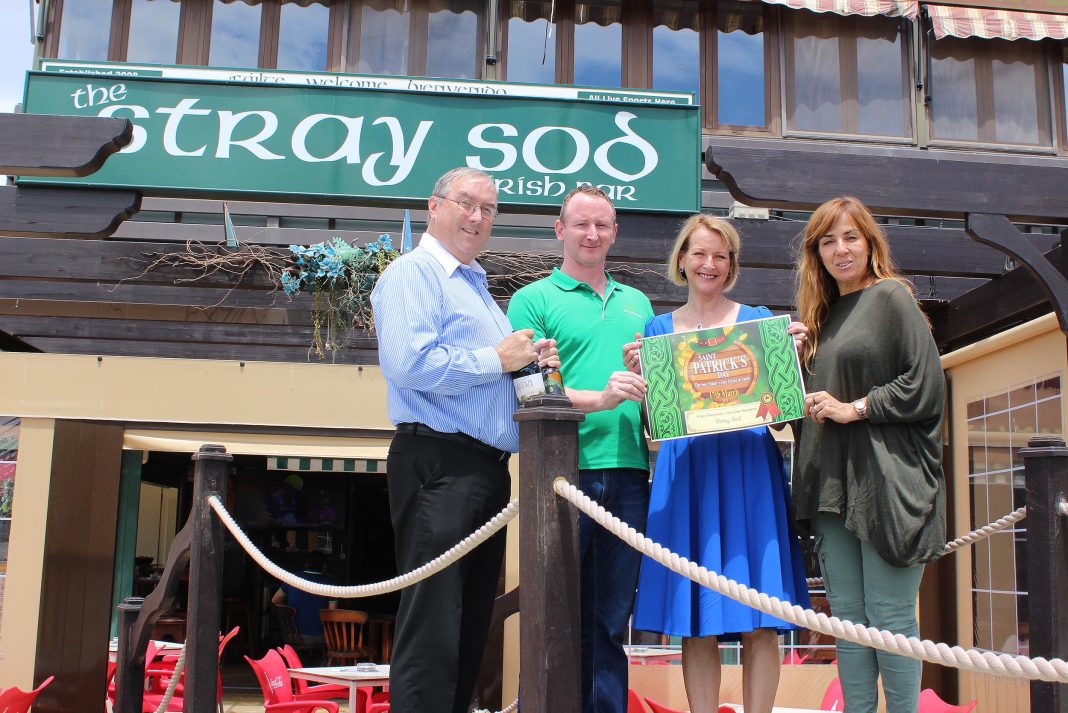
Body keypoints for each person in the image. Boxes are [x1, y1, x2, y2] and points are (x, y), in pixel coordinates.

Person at [371, 167, 556, 713]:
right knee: (433, 624)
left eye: (488, 209)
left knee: (469, 623)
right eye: (466, 203)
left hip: (484, 470)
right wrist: (498, 358)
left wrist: (533, 368)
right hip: (439, 462)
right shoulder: (415, 273)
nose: (478, 217)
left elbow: (499, 376)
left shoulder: (474, 284)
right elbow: (409, 365)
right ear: (434, 206)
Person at [626, 215, 810, 713]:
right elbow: (655, 422)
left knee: (761, 615)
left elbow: (783, 415)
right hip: (687, 473)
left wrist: (790, 363)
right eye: (699, 253)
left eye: (720, 255)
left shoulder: (758, 319)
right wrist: (644, 379)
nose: (709, 264)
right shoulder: (656, 332)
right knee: (694, 617)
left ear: (731, 265)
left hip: (749, 471)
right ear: (681, 260)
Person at [793, 196, 946, 713]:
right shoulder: (823, 319)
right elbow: (806, 409)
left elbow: (926, 387)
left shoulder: (890, 297)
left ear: (870, 242)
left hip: (888, 482)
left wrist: (853, 408)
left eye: (850, 237)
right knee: (849, 625)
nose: (840, 249)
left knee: (891, 620)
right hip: (833, 489)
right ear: (816, 252)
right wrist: (788, 362)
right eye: (828, 240)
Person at [507, 185, 652, 713]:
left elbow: (656, 396)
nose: (592, 234)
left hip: (631, 474)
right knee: (552, 618)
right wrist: (604, 396)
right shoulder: (532, 300)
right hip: (562, 476)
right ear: (559, 229)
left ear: (615, 232)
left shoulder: (638, 304)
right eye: (581, 224)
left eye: (602, 225)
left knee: (610, 626)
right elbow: (529, 388)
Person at [271, 549, 335, 643]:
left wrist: (289, 609)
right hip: (320, 637)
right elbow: (332, 613)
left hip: (293, 636)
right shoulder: (331, 583)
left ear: (306, 564)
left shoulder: (293, 578)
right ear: (324, 566)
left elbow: (275, 600)